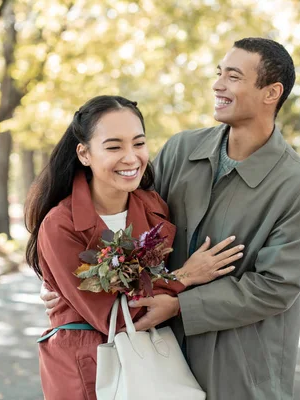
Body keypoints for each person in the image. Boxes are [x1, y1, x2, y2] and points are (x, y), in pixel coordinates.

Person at [42, 37, 300, 399]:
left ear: (272, 93)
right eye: (219, 73)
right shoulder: (182, 150)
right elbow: (122, 220)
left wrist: (180, 304)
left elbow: (276, 287)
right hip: (158, 355)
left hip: (238, 365)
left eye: (233, 76)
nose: (218, 84)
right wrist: (61, 280)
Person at [27, 95, 243, 400]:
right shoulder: (60, 224)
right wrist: (186, 276)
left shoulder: (155, 207)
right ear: (84, 153)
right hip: (84, 371)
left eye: (138, 143)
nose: (131, 158)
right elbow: (116, 316)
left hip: (150, 364)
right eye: (114, 147)